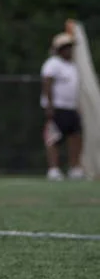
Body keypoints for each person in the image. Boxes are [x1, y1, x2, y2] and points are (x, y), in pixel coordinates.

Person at [41, 32, 85, 180]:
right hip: (58, 107)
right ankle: (53, 169)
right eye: (66, 48)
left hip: (71, 107)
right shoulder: (53, 64)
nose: (70, 51)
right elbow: (47, 84)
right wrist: (49, 106)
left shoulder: (72, 66)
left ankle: (74, 168)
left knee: (75, 137)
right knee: (53, 139)